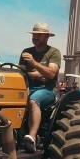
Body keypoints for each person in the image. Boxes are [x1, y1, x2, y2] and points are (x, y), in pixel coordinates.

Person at [19, 23, 61, 152]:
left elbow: (51, 74)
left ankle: (31, 137)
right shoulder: (26, 51)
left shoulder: (53, 52)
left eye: (39, 35)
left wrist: (34, 63)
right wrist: (38, 75)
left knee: (33, 100)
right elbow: (21, 72)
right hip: (27, 87)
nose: (35, 37)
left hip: (47, 90)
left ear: (47, 37)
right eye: (34, 34)